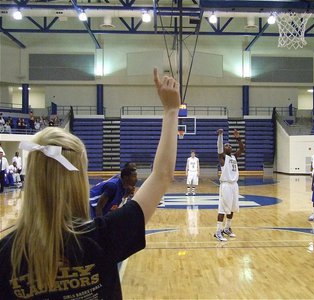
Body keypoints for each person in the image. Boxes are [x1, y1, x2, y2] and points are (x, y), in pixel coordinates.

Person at [0, 68, 180, 299]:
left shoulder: (6, 254)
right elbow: (162, 174)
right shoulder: (102, 237)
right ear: (77, 178)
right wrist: (171, 110)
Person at [214, 128, 245, 242]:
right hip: (226, 185)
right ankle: (218, 231)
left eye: (230, 145)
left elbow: (242, 148)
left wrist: (238, 138)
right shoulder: (223, 158)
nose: (229, 146)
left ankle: (227, 229)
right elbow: (219, 148)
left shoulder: (234, 157)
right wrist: (220, 136)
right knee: (223, 209)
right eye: (226, 145)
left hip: (234, 185)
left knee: (232, 208)